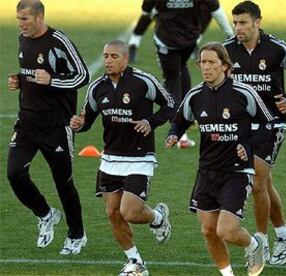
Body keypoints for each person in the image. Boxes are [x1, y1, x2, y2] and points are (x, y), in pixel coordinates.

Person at [165, 42, 274, 276]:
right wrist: (174, 133)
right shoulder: (195, 95)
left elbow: (267, 124)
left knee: (226, 231)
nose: (206, 67)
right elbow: (180, 119)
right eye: (202, 62)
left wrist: (249, 146)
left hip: (236, 172)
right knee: (208, 231)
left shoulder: (243, 93)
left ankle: (254, 245)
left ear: (225, 66)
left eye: (211, 62)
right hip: (207, 171)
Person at [70, 40, 175, 276]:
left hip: (140, 158)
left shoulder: (143, 81)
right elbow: (87, 121)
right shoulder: (97, 88)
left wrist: (151, 122)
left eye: (114, 56)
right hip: (110, 159)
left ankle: (157, 217)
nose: (108, 60)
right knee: (113, 213)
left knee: (130, 212)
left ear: (125, 59)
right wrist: (78, 125)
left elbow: (170, 105)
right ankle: (135, 262)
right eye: (105, 56)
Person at [223, 0, 286, 264]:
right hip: (240, 125)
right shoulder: (227, 50)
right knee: (265, 182)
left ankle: (260, 241)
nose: (238, 28)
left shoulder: (276, 49)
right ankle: (285, 234)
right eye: (235, 22)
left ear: (257, 23)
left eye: (243, 23)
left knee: (257, 182)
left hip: (272, 123)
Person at [7, 0, 89, 254]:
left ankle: (77, 235)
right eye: (18, 19)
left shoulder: (59, 41)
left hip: (56, 126)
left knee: (63, 183)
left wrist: (52, 80)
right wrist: (20, 80)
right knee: (14, 174)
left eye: (25, 19)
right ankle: (45, 213)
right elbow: (32, 73)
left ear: (39, 17)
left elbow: (83, 75)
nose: (20, 24)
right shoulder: (24, 39)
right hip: (27, 122)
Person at [127, 0, 233, 149]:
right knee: (181, 69)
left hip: (167, 41)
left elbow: (146, 11)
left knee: (172, 80)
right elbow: (215, 10)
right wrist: (229, 34)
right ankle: (188, 117)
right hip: (190, 39)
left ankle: (180, 134)